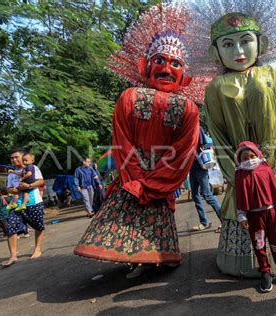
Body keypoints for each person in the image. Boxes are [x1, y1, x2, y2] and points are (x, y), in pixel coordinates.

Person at [74, 4, 200, 279]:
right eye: (160, 61)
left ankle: (158, 258)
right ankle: (131, 258)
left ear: (185, 76)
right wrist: (135, 175)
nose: (167, 68)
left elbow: (185, 149)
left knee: (156, 217)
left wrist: (160, 179)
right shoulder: (129, 96)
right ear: (144, 66)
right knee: (127, 215)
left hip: (161, 173)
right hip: (132, 173)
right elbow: (122, 139)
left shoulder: (188, 107)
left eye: (175, 63)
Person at [202, 12, 276, 277]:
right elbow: (218, 133)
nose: (238, 51)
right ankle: (258, 266)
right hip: (242, 168)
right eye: (228, 44)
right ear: (215, 52)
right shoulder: (215, 87)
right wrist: (234, 172)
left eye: (245, 41)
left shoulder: (272, 75)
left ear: (260, 44)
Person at [235, 141, 276, 292]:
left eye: (252, 155)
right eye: (244, 158)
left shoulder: (266, 170)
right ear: (239, 160)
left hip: (271, 213)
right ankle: (265, 272)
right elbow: (239, 198)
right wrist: (242, 217)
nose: (249, 159)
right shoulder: (240, 175)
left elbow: (275, 191)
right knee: (259, 244)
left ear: (258, 154)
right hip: (254, 217)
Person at [3, 148, 46, 266]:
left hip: (34, 202)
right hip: (16, 205)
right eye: (12, 158)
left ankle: (37, 249)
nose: (14, 159)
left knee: (38, 226)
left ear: (23, 157)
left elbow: (41, 181)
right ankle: (12, 255)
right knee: (10, 227)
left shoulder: (33, 167)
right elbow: (8, 188)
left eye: (16, 157)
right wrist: (11, 190)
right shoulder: (11, 173)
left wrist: (28, 185)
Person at [190, 127, 222, 232]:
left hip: (200, 167)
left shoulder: (197, 128)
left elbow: (203, 145)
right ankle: (204, 222)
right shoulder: (184, 127)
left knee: (207, 195)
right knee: (195, 195)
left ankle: (225, 222)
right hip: (192, 167)